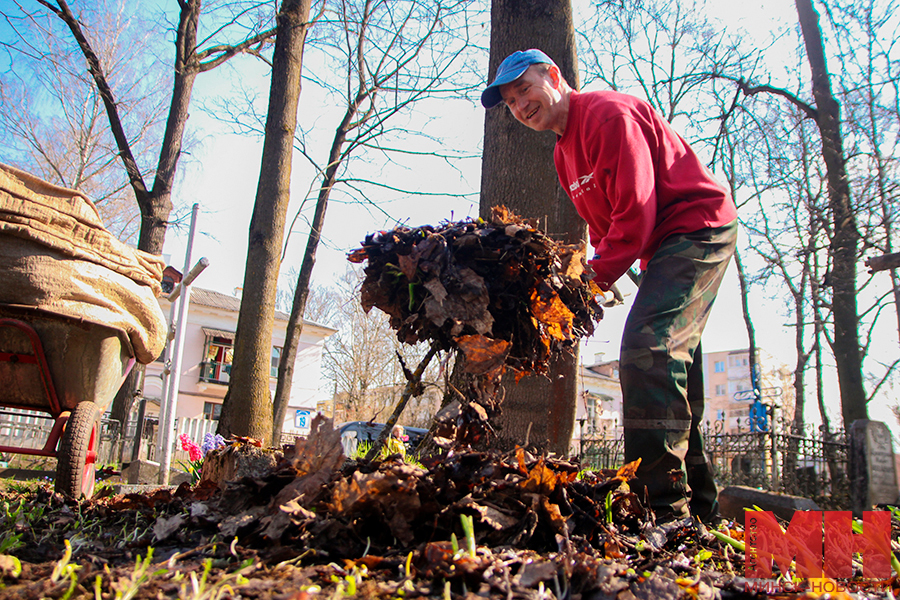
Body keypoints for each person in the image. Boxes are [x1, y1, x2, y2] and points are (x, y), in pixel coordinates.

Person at [481, 49, 737, 523]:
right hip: (660, 248)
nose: (519, 106)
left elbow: (635, 212)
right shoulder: (562, 153)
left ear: (553, 76)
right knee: (670, 373)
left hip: (697, 227)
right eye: (511, 102)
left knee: (647, 351)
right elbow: (602, 228)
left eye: (524, 90)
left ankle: (660, 508)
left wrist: (583, 286)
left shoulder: (607, 114)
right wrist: (588, 279)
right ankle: (701, 514)